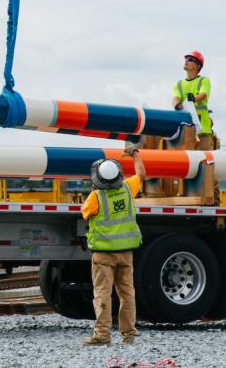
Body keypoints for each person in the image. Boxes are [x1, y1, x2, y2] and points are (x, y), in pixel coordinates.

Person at [80, 148, 144, 345]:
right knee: (127, 294)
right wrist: (135, 154)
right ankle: (129, 335)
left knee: (102, 294)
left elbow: (85, 213)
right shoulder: (127, 188)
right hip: (125, 253)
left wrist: (94, 189)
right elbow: (141, 174)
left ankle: (102, 336)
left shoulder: (95, 197)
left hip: (104, 255)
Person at [172, 50, 214, 150]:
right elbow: (175, 98)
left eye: (190, 60)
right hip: (186, 133)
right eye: (186, 59)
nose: (186, 61)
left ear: (197, 66)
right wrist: (177, 104)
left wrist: (194, 98)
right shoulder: (179, 84)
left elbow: (203, 94)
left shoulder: (204, 81)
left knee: (204, 162)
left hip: (203, 133)